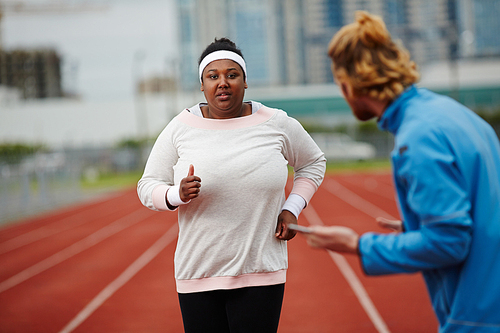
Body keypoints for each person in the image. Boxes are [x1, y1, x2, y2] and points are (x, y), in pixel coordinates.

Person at [299, 11, 500, 332]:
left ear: (350, 85)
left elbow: (449, 243)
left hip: (477, 316)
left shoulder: (417, 137)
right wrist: (415, 226)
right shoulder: (458, 116)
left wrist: (357, 245)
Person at [137, 37, 326, 333]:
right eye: (213, 76)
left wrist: (292, 208)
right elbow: (147, 187)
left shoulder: (276, 123)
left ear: (245, 81)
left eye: (232, 75)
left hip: (261, 272)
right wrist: (176, 194)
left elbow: (313, 163)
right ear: (202, 85)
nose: (222, 82)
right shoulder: (181, 127)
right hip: (198, 273)